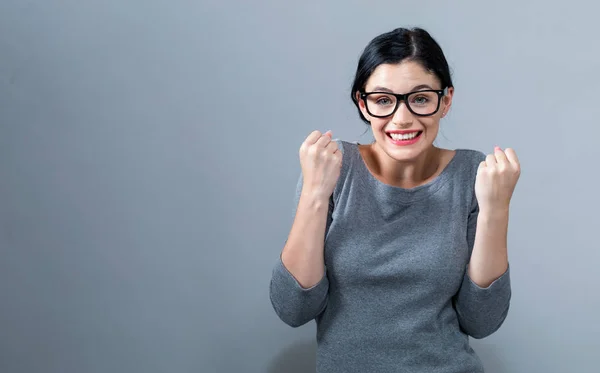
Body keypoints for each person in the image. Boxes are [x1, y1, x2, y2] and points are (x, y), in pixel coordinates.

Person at [269, 27, 521, 373]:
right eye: (384, 100)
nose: (402, 118)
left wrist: (496, 210)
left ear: (445, 101)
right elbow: (292, 308)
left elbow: (482, 321)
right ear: (363, 103)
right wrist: (315, 192)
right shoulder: (331, 167)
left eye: (420, 98)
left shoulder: (472, 174)